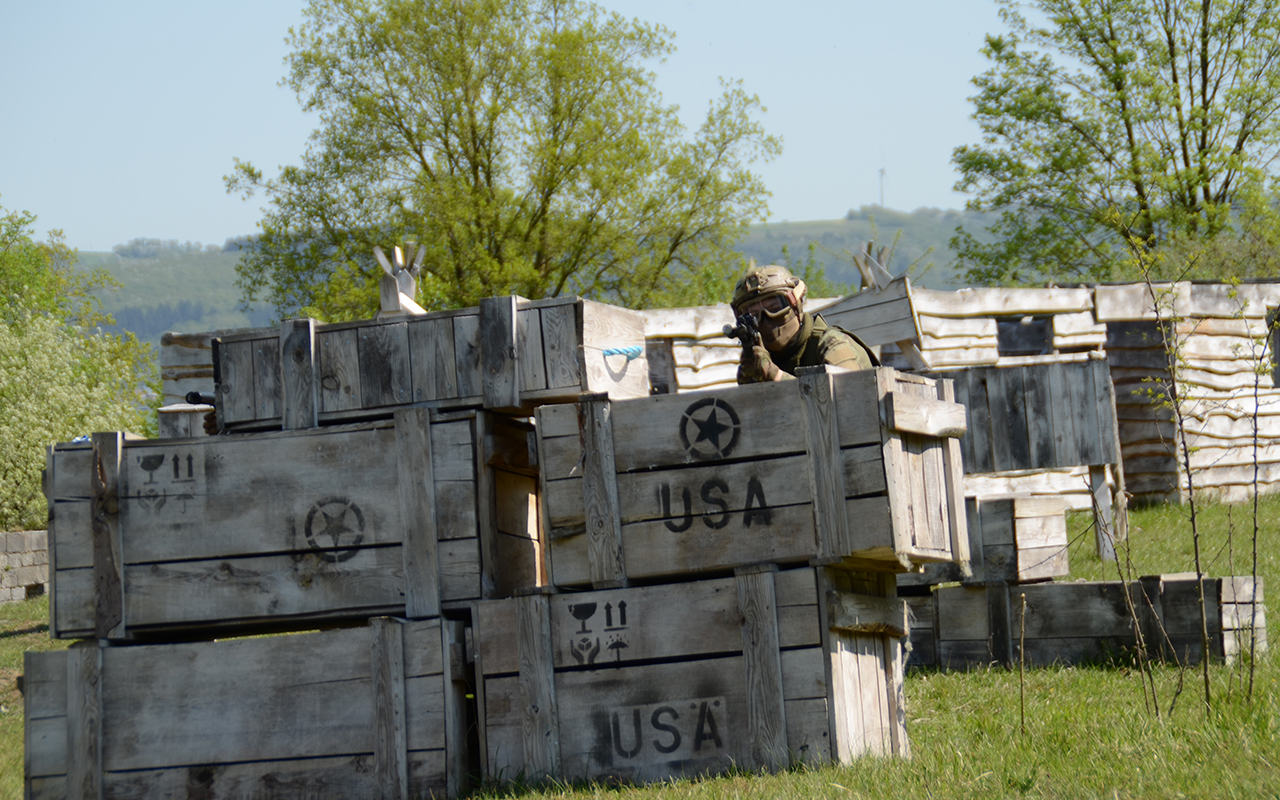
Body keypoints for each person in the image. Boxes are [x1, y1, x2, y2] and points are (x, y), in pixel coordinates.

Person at [731, 264, 876, 383]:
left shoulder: (834, 346)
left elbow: (844, 403)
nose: (765, 319)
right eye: (753, 315)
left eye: (775, 309)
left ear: (796, 304)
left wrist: (775, 376)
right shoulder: (763, 358)